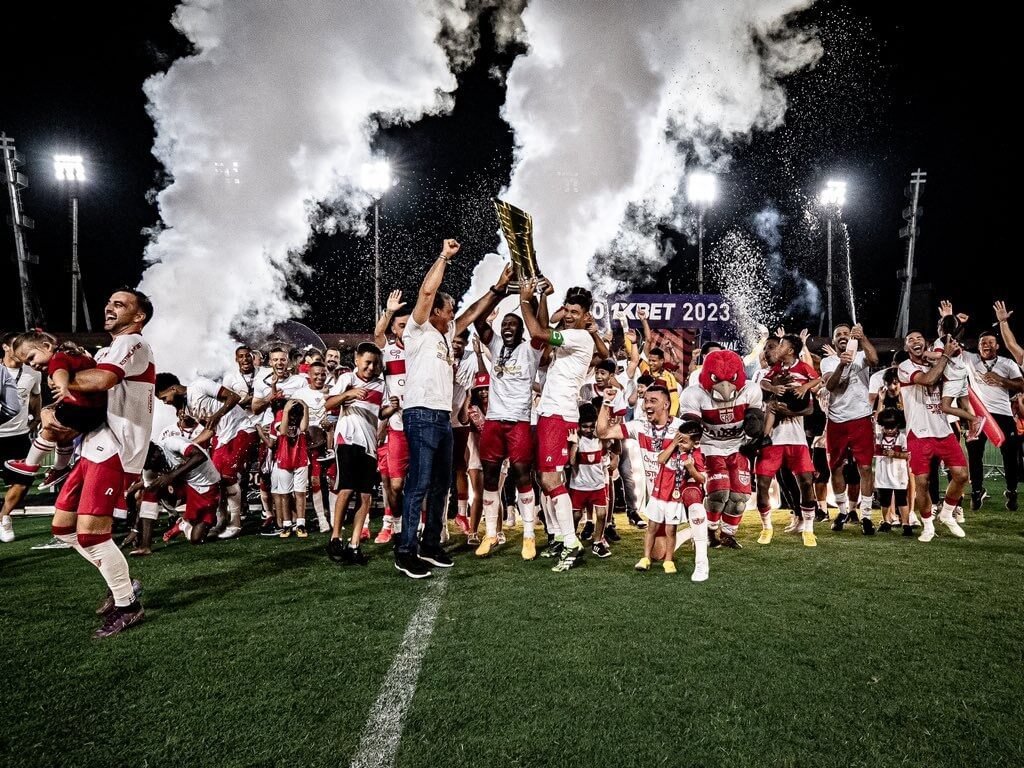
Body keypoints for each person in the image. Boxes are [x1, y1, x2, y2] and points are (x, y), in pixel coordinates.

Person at [393, 240, 507, 579]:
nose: (453, 312)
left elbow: (472, 312)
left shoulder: (446, 335)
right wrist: (443, 256)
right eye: (449, 308)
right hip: (420, 413)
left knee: (441, 484)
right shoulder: (419, 329)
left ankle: (430, 544)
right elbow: (427, 292)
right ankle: (405, 550)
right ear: (436, 312)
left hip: (441, 416)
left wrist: (498, 288)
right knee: (419, 484)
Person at [49, 288, 155, 637]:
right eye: (109, 302)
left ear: (138, 316)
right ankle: (121, 582)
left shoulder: (132, 342)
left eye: (120, 304)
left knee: (92, 535)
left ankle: (128, 606)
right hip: (95, 445)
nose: (109, 307)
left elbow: (103, 380)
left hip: (116, 450)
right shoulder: (108, 349)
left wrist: (57, 372)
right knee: (64, 529)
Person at [520, 279, 607, 573]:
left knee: (551, 481)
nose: (568, 316)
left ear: (586, 316)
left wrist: (525, 299)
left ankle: (571, 541)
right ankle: (559, 536)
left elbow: (537, 331)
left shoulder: (580, 337)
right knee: (544, 479)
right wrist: (543, 297)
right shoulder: (570, 335)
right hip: (550, 413)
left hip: (559, 414)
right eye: (566, 310)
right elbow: (545, 329)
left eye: (574, 312)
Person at [155, 372, 251, 539]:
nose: (166, 402)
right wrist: (189, 445)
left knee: (227, 477)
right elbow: (210, 430)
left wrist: (217, 414)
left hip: (240, 429)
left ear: (173, 388)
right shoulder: (188, 409)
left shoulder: (199, 385)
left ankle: (235, 524)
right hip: (222, 437)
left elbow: (234, 397)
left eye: (164, 397)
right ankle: (221, 522)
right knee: (218, 480)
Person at [5, 331, 106, 490]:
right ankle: (60, 468)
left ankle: (30, 464)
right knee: (63, 439)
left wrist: (62, 386)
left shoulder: (58, 358)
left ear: (46, 346)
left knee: (48, 431)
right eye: (28, 363)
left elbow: (59, 372)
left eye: (32, 357)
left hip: (80, 409)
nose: (33, 365)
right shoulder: (75, 355)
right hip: (96, 413)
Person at [326, 343, 395, 564]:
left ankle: (354, 544)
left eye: (375, 363)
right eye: (367, 362)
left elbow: (381, 413)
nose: (371, 367)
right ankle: (335, 538)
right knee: (346, 488)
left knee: (365, 495)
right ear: (357, 360)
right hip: (347, 439)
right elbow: (328, 403)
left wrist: (392, 408)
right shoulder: (347, 378)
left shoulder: (381, 385)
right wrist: (348, 394)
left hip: (369, 444)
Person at [897, 330, 968, 542]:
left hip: (943, 429)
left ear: (926, 344)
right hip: (918, 433)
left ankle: (947, 513)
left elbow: (959, 381)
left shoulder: (939, 362)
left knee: (962, 475)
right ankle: (928, 525)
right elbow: (928, 380)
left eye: (919, 338)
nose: (915, 341)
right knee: (922, 482)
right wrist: (945, 356)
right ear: (906, 347)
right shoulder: (905, 367)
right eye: (910, 340)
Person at [754, 335, 822, 547]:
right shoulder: (774, 371)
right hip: (772, 439)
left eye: (780, 345)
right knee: (762, 482)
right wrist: (773, 389)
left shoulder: (801, 370)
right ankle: (767, 528)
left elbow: (810, 407)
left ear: (791, 350)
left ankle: (808, 529)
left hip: (796, 438)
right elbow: (763, 385)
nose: (775, 350)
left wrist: (802, 390)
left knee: (806, 482)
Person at [819, 323, 880, 533]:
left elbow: (874, 360)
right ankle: (843, 511)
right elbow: (830, 385)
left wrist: (862, 338)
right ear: (834, 340)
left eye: (846, 333)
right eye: (839, 334)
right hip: (837, 420)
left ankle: (867, 516)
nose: (843, 336)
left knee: (865, 468)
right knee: (836, 467)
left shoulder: (861, 356)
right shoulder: (828, 361)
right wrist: (841, 365)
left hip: (860, 417)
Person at [129, 422, 222, 553]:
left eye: (150, 461)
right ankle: (145, 546)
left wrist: (171, 475)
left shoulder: (172, 443)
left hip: (205, 483)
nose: (151, 466)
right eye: (146, 465)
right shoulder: (149, 467)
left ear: (155, 451)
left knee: (196, 539)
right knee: (150, 491)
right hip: (182, 486)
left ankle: (183, 524)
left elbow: (200, 456)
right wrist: (136, 529)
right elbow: (147, 500)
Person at [961, 328, 1024, 510]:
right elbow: (951, 344)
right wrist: (955, 322)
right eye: (983, 343)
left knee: (1010, 455)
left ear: (997, 346)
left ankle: (1011, 491)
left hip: (1003, 414)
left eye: (990, 342)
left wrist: (1001, 380)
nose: (986, 345)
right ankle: (976, 491)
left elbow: (1021, 385)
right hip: (979, 415)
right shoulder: (970, 359)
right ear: (978, 346)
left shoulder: (1007, 363)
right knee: (975, 454)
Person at [645, 417, 709, 581]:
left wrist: (690, 468)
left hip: (685, 490)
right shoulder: (673, 447)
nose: (680, 444)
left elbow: (702, 479)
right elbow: (660, 459)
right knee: (657, 553)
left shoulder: (695, 455)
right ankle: (691, 532)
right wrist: (674, 444)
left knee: (695, 507)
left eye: (684, 442)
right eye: (678, 439)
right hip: (663, 495)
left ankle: (701, 563)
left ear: (695, 443)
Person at [374, 290, 412, 544]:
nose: (406, 330)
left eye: (409, 325)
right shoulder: (389, 351)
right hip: (396, 427)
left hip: (421, 426)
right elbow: (377, 336)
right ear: (394, 329)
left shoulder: (422, 349)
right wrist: (388, 312)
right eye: (401, 326)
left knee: (421, 482)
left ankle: (422, 526)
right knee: (394, 484)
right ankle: (394, 525)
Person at [0, 331, 42, 543]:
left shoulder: (32, 372)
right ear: (5, 348)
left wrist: (37, 417)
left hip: (18, 436)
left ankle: (4, 517)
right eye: (16, 346)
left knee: (24, 481)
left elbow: (35, 395)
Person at [568, 403, 611, 559]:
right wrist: (574, 444)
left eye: (592, 426)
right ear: (579, 425)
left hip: (597, 485)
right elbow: (572, 462)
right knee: (576, 515)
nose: (588, 430)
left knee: (602, 514)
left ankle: (597, 542)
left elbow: (614, 449)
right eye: (585, 426)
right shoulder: (576, 439)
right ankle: (571, 540)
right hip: (578, 485)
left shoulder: (600, 439)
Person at [874, 408, 911, 535]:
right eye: (887, 427)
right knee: (884, 501)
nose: (889, 430)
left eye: (892, 427)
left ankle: (906, 524)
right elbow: (876, 421)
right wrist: (880, 400)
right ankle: (886, 521)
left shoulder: (902, 437)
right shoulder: (879, 436)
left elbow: (908, 455)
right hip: (883, 475)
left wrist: (896, 454)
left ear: (898, 425)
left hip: (899, 475)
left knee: (902, 500)